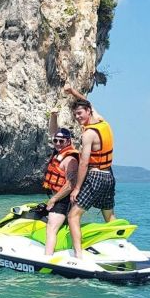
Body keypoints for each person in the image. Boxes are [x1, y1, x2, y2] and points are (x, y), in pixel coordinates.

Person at [64, 85, 115, 258]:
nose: (78, 117)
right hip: (109, 175)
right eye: (75, 115)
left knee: (73, 216)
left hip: (95, 176)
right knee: (108, 214)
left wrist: (77, 187)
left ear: (88, 111)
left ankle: (78, 255)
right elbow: (88, 102)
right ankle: (119, 246)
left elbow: (84, 163)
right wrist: (72, 93)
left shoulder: (89, 134)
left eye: (80, 114)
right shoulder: (103, 122)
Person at [41, 113, 79, 255]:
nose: (57, 143)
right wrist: (53, 116)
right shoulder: (58, 152)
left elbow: (70, 185)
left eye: (61, 141)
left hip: (63, 199)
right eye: (55, 141)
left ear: (68, 142)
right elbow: (52, 131)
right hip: (56, 196)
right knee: (53, 225)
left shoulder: (70, 159)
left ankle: (47, 258)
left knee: (51, 227)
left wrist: (54, 199)